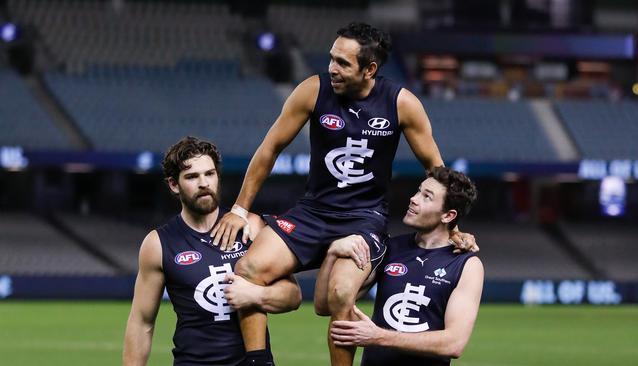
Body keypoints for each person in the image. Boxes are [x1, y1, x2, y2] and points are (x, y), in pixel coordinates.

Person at [211, 22, 476, 366]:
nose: (332, 69)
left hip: (363, 220)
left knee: (340, 293)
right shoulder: (312, 90)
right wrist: (240, 210)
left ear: (370, 70)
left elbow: (438, 173)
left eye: (342, 63)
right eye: (331, 59)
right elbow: (269, 149)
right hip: (312, 212)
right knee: (247, 269)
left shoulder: (402, 104)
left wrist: (451, 231)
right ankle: (258, 362)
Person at [123, 137, 301, 366]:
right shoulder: (158, 243)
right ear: (173, 185)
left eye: (209, 174)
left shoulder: (252, 227)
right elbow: (141, 322)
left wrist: (255, 295)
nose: (203, 183)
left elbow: (293, 296)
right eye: (192, 177)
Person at [320, 167, 483, 366]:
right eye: (418, 191)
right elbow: (325, 306)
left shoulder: (466, 265)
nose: (413, 199)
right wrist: (331, 253)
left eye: (426, 197)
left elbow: (453, 344)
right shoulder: (388, 247)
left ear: (448, 216)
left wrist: (377, 336)